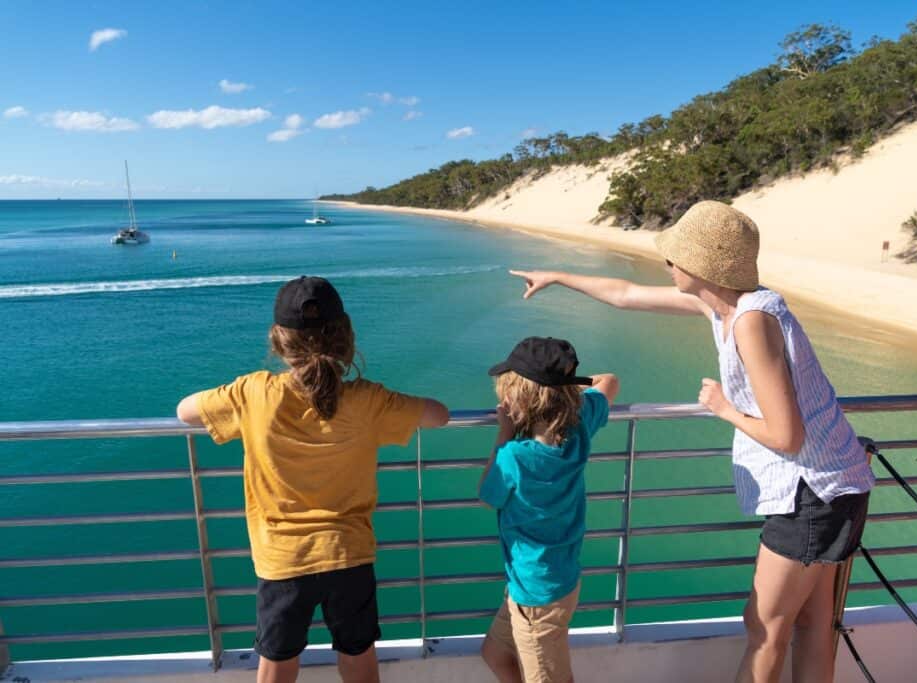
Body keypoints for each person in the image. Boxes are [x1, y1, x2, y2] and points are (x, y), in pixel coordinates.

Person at [509, 201, 874, 683]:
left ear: (704, 267)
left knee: (765, 627)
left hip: (813, 492)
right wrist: (557, 275)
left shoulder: (751, 323)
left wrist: (723, 408)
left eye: (674, 257)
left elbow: (787, 436)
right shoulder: (727, 304)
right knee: (811, 622)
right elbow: (626, 294)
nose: (667, 265)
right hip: (834, 481)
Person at [176, 276, 449, 683]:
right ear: (345, 336)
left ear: (279, 341)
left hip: (282, 559)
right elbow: (439, 415)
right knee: (358, 657)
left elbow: (186, 411)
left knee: (278, 662)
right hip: (348, 553)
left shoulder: (253, 393)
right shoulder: (368, 399)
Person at [478, 336, 619, 683]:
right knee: (494, 653)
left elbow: (488, 495)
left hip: (535, 596)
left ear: (520, 398)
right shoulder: (581, 424)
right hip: (550, 582)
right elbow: (609, 381)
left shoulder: (513, 456)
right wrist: (572, 388)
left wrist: (504, 433)